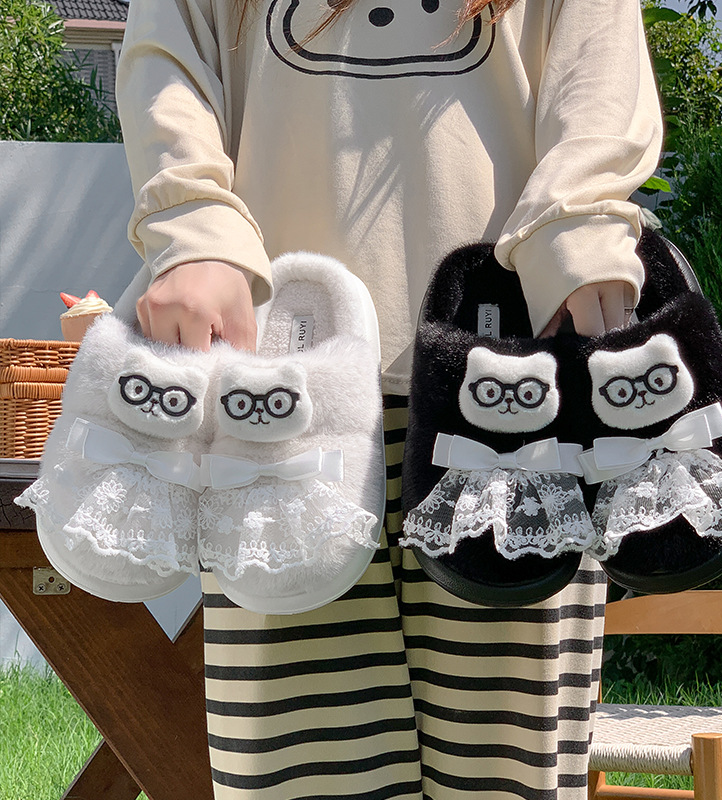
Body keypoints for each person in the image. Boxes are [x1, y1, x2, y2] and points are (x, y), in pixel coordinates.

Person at [115, 0, 662, 796]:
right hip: (283, 395)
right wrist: (193, 229)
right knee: (300, 778)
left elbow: (597, 73)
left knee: (505, 780)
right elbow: (170, 55)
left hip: (512, 391)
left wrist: (578, 234)